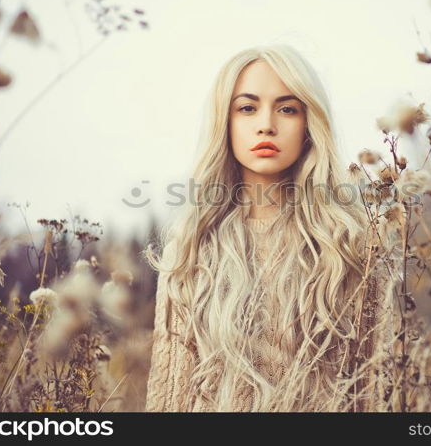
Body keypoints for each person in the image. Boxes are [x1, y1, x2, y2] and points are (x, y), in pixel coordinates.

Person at [144, 44, 401, 412]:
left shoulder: (352, 246)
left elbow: (376, 392)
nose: (267, 123)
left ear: (309, 124)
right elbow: (170, 396)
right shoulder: (190, 248)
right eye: (247, 108)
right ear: (226, 122)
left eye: (287, 108)